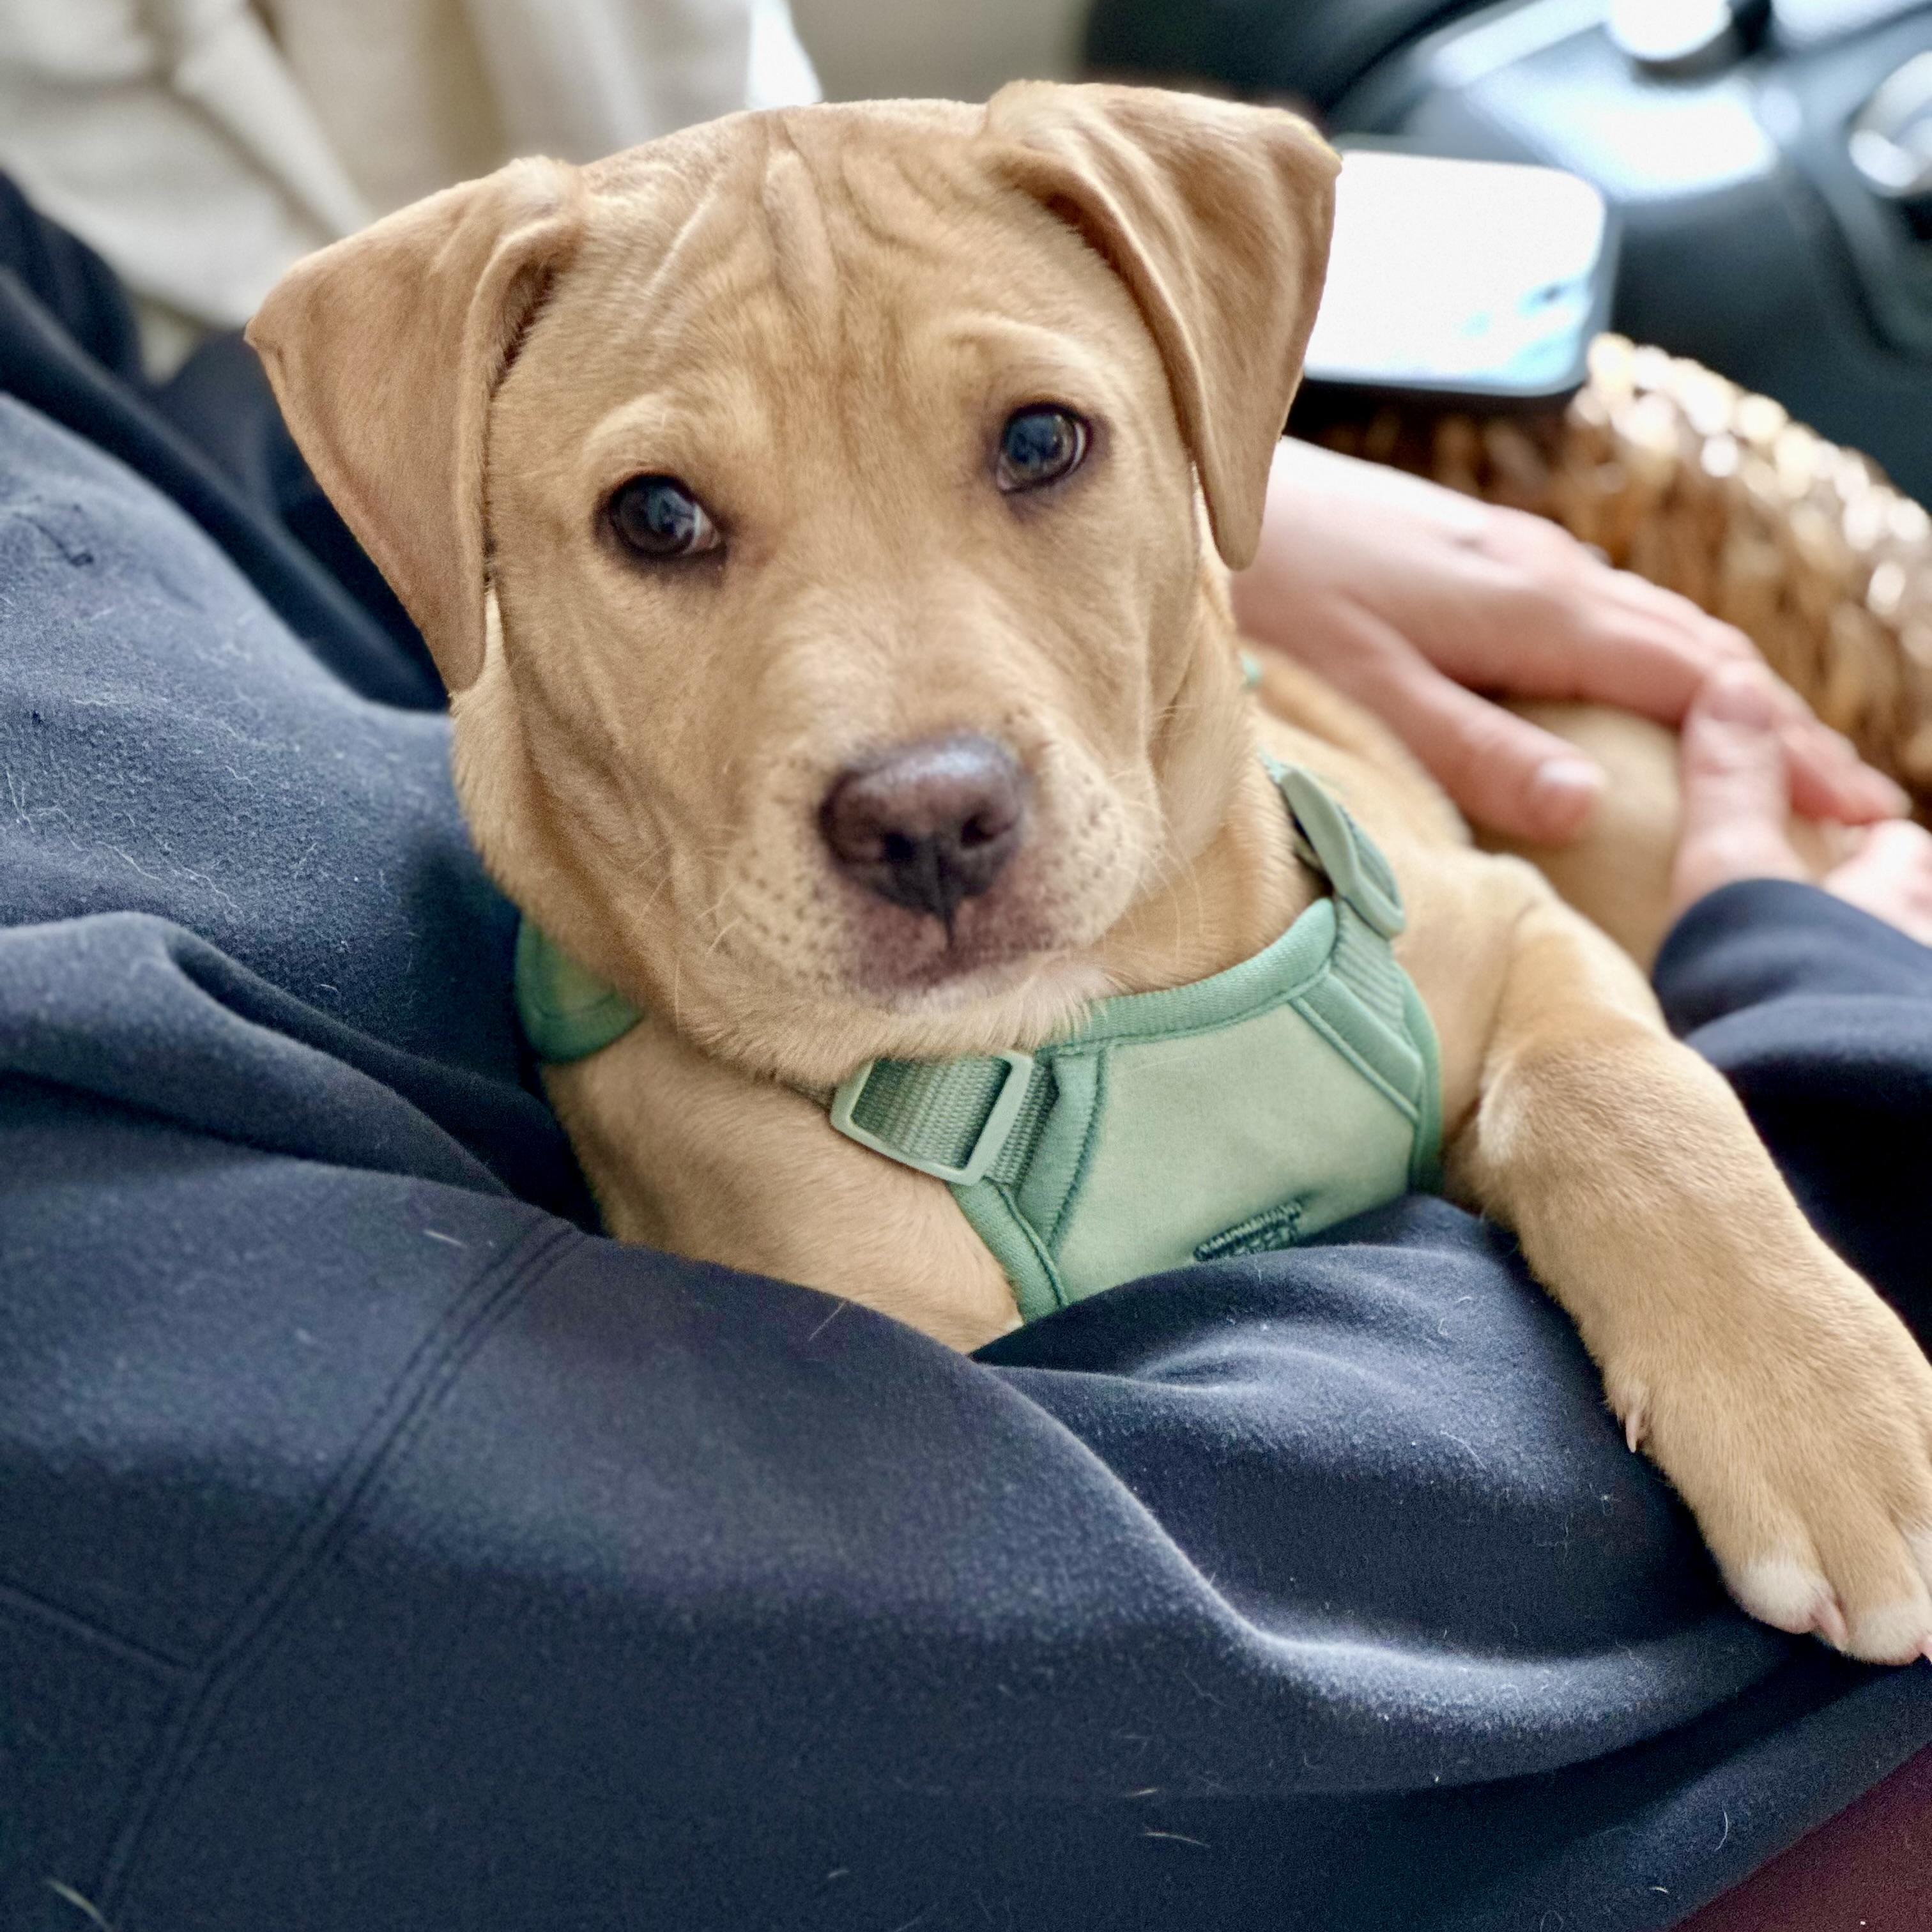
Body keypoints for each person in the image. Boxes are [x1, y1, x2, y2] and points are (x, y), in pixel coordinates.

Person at [1, 179, 1929, 1932]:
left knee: (1683, 791)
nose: (919, 765)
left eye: (1036, 443)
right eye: (667, 517)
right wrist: (1853, 1077)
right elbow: (1058, 1662)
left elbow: (1509, 961)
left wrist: (1206, 505)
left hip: (1422, 837)